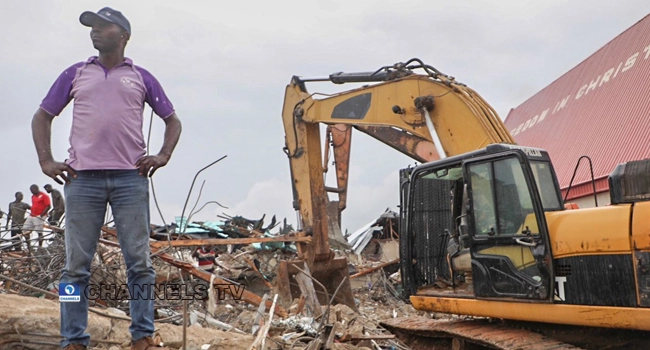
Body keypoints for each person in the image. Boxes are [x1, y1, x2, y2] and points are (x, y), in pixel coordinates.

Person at [31, 7, 181, 350]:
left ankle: (142, 336)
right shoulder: (76, 73)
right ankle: (73, 340)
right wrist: (46, 160)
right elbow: (42, 116)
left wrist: (163, 155)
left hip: (131, 179)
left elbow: (173, 120)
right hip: (82, 180)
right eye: (92, 27)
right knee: (74, 270)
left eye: (103, 26)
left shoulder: (141, 77)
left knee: (140, 265)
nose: (95, 32)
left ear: (124, 35)